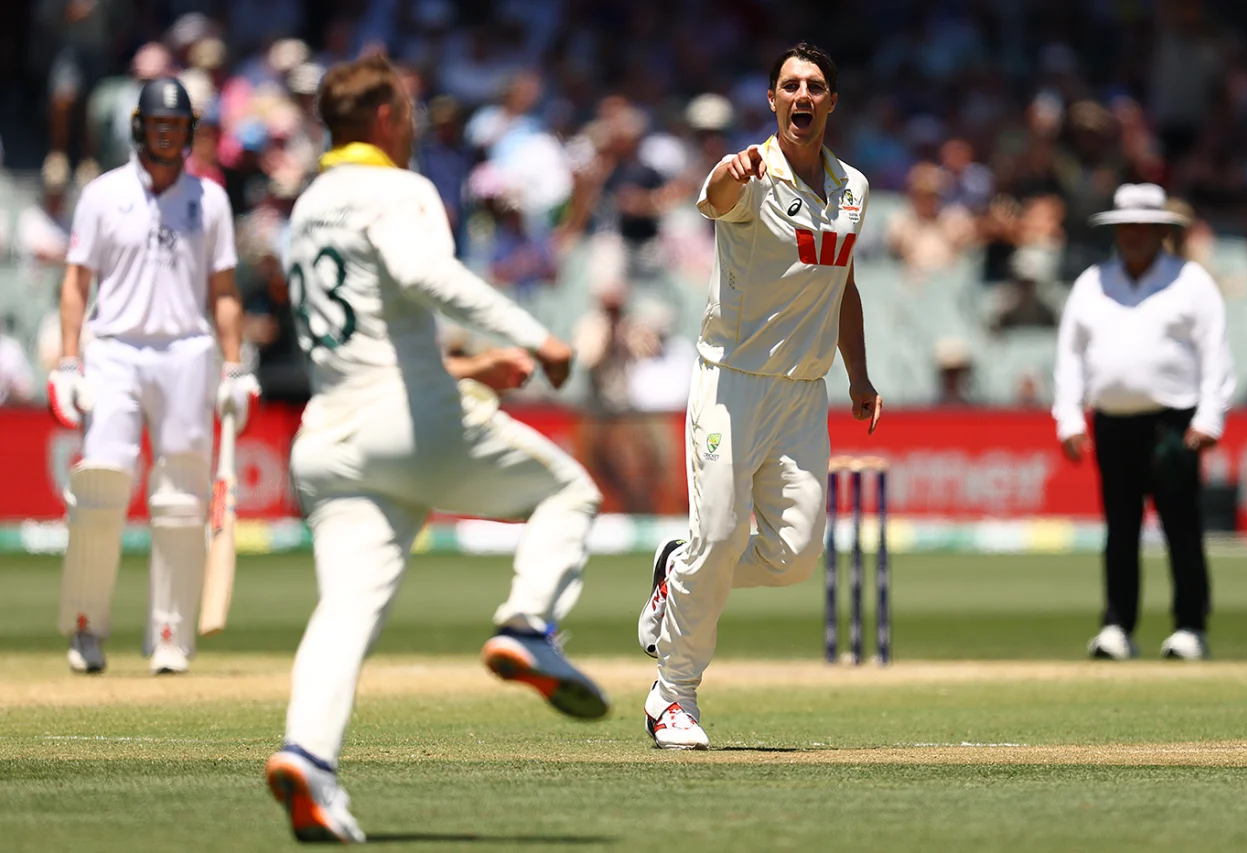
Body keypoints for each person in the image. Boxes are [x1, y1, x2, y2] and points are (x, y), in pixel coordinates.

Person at [263, 55, 608, 843]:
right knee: (567, 494)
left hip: (330, 437)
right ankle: (526, 624)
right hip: (407, 420)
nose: (414, 122)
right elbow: (428, 275)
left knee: (346, 608)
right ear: (383, 117)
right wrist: (535, 337)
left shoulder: (308, 207)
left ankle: (308, 761)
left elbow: (365, 338)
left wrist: (469, 366)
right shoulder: (398, 189)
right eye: (408, 109)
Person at [636, 43, 881, 750]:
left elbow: (845, 286)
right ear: (773, 101)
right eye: (789, 86)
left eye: (815, 87)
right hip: (731, 383)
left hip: (804, 392)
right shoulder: (750, 172)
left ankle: (675, 573)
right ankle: (673, 694)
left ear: (832, 102)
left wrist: (857, 376)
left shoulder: (854, 188)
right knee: (717, 536)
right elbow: (714, 198)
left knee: (795, 556)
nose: (801, 96)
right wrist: (727, 171)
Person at [48, 76, 258, 677]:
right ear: (140, 126)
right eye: (157, 124)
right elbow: (75, 282)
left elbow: (222, 292)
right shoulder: (103, 194)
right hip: (114, 348)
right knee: (101, 486)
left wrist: (235, 366)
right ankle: (86, 627)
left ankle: (170, 632)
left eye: (176, 126)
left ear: (188, 132)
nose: (166, 135)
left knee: (180, 498)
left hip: (187, 352)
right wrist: (68, 361)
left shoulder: (209, 200)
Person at [1052, 183, 1234, 662]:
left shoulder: (1190, 281)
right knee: (1121, 527)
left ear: (1161, 232)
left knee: (1181, 526)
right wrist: (1069, 416)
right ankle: (1117, 626)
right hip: (1112, 422)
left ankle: (1191, 626)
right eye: (1125, 227)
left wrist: (1210, 416)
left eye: (1143, 227)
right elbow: (1070, 356)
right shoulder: (1092, 282)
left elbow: (1215, 353)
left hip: (1174, 422)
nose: (1133, 235)